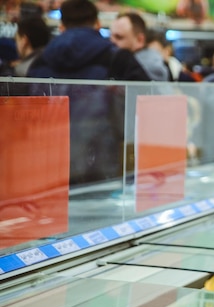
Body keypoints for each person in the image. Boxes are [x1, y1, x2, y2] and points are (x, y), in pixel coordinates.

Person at [27, 0, 150, 185]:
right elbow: (150, 108)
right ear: (98, 25)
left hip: (47, 173)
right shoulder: (117, 59)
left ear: (61, 27)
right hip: (104, 173)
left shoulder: (39, 62)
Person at [109, 12, 170, 81]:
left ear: (139, 40)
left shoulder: (150, 68)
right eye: (110, 36)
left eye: (119, 37)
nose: (112, 41)